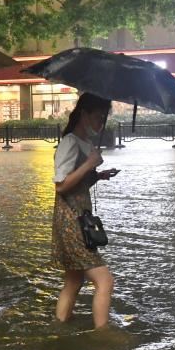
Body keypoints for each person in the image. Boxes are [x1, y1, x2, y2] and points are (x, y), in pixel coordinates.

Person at [51, 93, 120, 329]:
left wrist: (97, 176)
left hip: (80, 218)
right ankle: (102, 336)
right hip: (71, 220)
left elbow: (77, 184)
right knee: (105, 281)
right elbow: (61, 186)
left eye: (103, 119)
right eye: (98, 117)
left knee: (73, 281)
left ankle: (59, 327)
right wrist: (90, 164)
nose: (101, 124)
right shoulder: (69, 142)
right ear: (84, 114)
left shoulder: (84, 143)